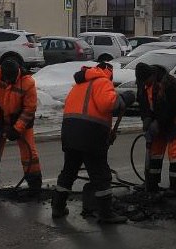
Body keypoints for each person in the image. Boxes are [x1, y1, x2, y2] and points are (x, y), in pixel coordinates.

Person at [52, 63, 135, 224]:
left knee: (69, 171)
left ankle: (58, 207)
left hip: (69, 133)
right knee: (101, 174)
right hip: (90, 135)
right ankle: (106, 214)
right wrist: (124, 98)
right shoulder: (103, 82)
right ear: (108, 74)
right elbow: (109, 104)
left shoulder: (79, 85)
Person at [0, 58, 41, 194]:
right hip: (0, 121)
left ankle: (35, 184)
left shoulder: (27, 83)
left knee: (29, 154)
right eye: (5, 78)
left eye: (10, 78)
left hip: (21, 121)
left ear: (16, 73)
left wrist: (17, 129)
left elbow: (29, 109)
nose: (7, 81)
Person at [135, 62, 176, 195]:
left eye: (146, 81)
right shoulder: (143, 84)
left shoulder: (169, 84)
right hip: (158, 120)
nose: (144, 84)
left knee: (175, 155)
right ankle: (151, 184)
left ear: (152, 76)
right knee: (155, 152)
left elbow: (173, 108)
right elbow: (143, 104)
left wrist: (158, 123)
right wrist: (146, 119)